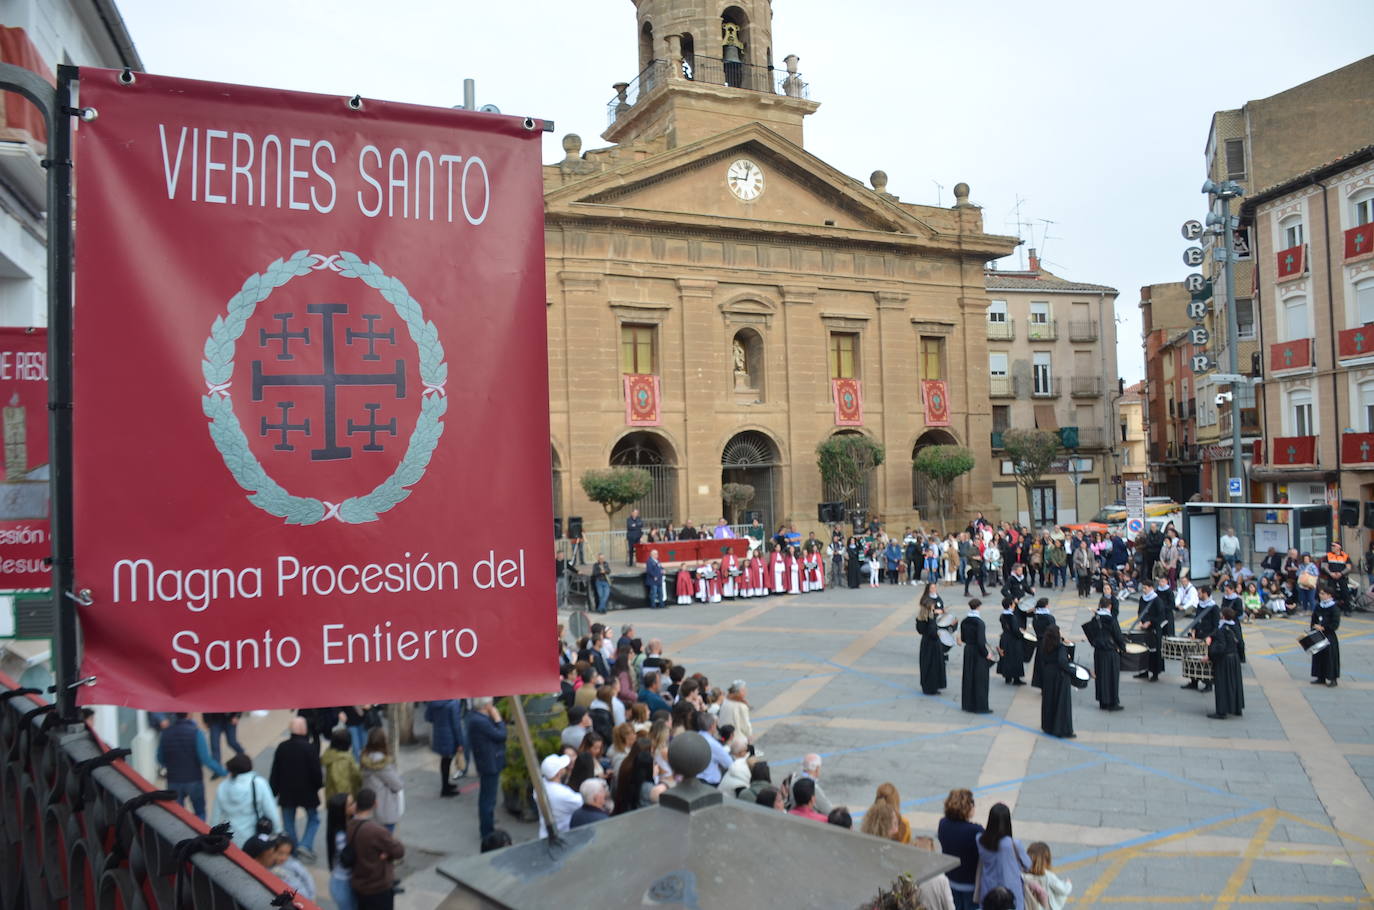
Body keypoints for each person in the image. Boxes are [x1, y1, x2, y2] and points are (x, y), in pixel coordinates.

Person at [269, 716, 324, 861]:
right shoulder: (310, 748)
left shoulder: (282, 747)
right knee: (314, 819)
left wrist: (272, 792)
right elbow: (316, 773)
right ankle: (305, 845)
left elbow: (275, 772)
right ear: (304, 729)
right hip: (308, 793)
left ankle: (292, 851)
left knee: (288, 823)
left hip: (287, 793)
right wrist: (319, 785)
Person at [157, 712, 227, 821]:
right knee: (200, 813)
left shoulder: (165, 733)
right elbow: (205, 759)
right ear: (189, 714)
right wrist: (223, 772)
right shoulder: (196, 733)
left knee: (177, 815)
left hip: (173, 780)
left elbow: (160, 758)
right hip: (194, 780)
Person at [347, 788, 405, 910]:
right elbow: (399, 851)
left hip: (359, 884)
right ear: (375, 804)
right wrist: (387, 853)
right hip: (377, 887)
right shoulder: (376, 830)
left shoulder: (349, 825)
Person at [210, 752, 281, 847]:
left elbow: (216, 815)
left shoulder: (223, 787)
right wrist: (278, 830)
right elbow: (270, 810)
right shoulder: (258, 784)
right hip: (253, 837)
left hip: (230, 838)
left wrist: (212, 835)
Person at [975, 802, 1033, 910]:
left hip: (988, 889)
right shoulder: (1013, 844)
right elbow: (1027, 864)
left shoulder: (980, 840)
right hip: (1011, 891)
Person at [938, 788, 983, 910]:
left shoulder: (943, 824)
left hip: (950, 880)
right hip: (970, 885)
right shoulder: (975, 831)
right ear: (968, 807)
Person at [360, 728, 404, 832]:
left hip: (370, 811)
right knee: (384, 844)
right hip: (384, 811)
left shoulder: (365, 759)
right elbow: (398, 785)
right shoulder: (382, 764)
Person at [1086, 599, 1125, 711]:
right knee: (1112, 677)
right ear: (1110, 606)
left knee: (1101, 676)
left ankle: (1102, 701)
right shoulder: (1111, 619)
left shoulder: (1095, 619)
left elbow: (1091, 634)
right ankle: (1113, 702)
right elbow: (1118, 636)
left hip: (1098, 652)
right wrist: (1122, 648)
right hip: (1110, 652)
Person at [1207, 607, 1245, 719]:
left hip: (1224, 660)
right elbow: (1241, 644)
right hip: (1234, 659)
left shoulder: (1222, 629)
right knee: (1234, 684)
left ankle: (1221, 711)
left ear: (1223, 616)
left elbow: (1220, 647)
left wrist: (1209, 655)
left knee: (1222, 685)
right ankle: (1237, 708)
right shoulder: (1235, 626)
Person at [1038, 626, 1075, 739]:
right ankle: (1062, 729)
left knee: (1049, 701)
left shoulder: (1044, 645)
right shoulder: (1060, 647)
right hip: (1059, 676)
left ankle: (1048, 726)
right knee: (1061, 703)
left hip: (1048, 674)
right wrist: (1072, 671)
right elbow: (1063, 661)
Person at [325, 793, 358, 910]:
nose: (355, 805)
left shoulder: (344, 827)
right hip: (343, 884)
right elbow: (351, 858)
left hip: (343, 881)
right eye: (351, 804)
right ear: (342, 811)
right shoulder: (340, 835)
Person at [537, 754, 583, 838]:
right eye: (562, 768)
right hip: (561, 836)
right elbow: (583, 802)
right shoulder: (563, 794)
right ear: (558, 773)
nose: (565, 768)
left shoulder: (539, 787)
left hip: (544, 833)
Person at [425, 699, 464, 797]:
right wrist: (460, 742)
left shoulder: (433, 701)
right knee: (447, 761)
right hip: (450, 736)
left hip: (439, 734)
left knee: (445, 761)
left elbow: (428, 717)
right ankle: (445, 789)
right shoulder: (453, 703)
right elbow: (456, 724)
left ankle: (446, 785)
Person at [959, 599, 993, 714]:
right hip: (978, 653)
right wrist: (987, 653)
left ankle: (968, 704)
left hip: (968, 650)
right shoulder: (979, 623)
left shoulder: (964, 621)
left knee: (969, 677)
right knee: (980, 679)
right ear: (978, 607)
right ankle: (981, 706)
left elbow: (963, 638)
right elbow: (981, 642)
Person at [916, 583, 949, 695]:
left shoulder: (921, 617)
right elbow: (931, 631)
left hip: (926, 643)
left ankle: (930, 685)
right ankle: (931, 687)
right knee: (932, 665)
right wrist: (937, 634)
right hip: (932, 643)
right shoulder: (929, 619)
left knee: (929, 664)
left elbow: (920, 629)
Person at [1023, 842, 1072, 910]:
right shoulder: (1048, 876)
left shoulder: (1022, 875)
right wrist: (1068, 883)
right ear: (1047, 860)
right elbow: (1063, 889)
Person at [1134, 579, 1165, 682]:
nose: (1143, 590)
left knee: (1154, 652)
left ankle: (1155, 673)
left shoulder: (1157, 600)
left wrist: (1150, 622)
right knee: (1144, 650)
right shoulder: (1142, 599)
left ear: (1151, 588)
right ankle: (1144, 671)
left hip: (1154, 629)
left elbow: (1161, 616)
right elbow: (1140, 611)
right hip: (1144, 628)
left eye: (1145, 588)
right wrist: (1140, 621)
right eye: (1143, 587)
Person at [1311, 590, 1342, 687]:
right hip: (1318, 634)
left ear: (1329, 595)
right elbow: (1314, 618)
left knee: (1330, 657)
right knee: (1319, 655)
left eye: (1323, 594)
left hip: (1329, 635)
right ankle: (1321, 677)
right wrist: (1314, 627)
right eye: (1320, 593)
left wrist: (1324, 627)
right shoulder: (1318, 606)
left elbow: (1335, 624)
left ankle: (1333, 679)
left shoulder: (1334, 608)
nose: (1321, 595)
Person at [997, 596, 1026, 686]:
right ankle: (1016, 679)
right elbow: (1015, 630)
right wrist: (1022, 634)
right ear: (1010, 605)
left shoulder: (1002, 615)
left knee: (1006, 657)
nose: (1014, 605)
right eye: (1013, 603)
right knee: (1016, 658)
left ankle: (1007, 677)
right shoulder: (1012, 617)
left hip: (1004, 638)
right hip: (1013, 640)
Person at [1029, 597, 1055, 689]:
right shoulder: (1049, 618)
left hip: (1040, 643)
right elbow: (1054, 631)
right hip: (1049, 643)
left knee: (1040, 664)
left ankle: (1040, 684)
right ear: (1046, 606)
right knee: (1048, 665)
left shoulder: (1035, 617)